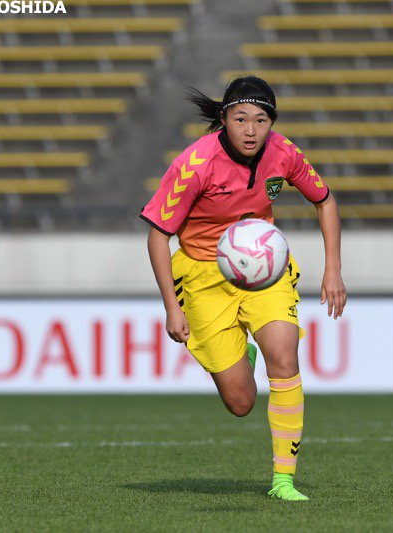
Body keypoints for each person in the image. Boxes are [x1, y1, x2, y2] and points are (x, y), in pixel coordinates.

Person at [140, 76, 346, 500]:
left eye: (261, 119)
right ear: (223, 119)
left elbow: (324, 200)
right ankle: (242, 353)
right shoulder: (194, 164)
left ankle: (283, 481)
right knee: (240, 402)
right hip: (201, 277)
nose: (251, 130)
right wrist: (170, 308)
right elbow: (158, 235)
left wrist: (333, 271)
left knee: (285, 356)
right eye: (240, 119)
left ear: (271, 122)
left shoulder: (284, 152)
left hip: (264, 270)